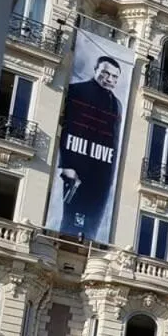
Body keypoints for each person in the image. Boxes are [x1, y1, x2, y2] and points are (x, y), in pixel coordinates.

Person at [56, 54, 123, 240]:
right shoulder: (76, 91)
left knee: (93, 225)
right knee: (71, 220)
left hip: (103, 173)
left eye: (114, 77)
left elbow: (115, 140)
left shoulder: (117, 104)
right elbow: (67, 127)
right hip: (78, 168)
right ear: (96, 70)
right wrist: (67, 166)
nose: (109, 79)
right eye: (105, 73)